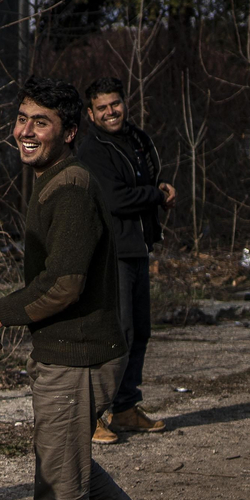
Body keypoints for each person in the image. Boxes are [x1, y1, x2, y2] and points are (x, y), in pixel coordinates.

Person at [0, 79, 188, 500]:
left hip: (77, 356)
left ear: (68, 132)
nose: (25, 131)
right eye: (22, 118)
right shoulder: (52, 177)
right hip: (72, 350)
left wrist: (8, 310)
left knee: (58, 488)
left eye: (40, 122)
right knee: (71, 467)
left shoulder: (71, 187)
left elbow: (66, 283)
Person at [77, 78, 177, 442]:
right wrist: (154, 194)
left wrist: (160, 187)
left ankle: (126, 408)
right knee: (115, 335)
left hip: (136, 247)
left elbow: (145, 177)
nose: (110, 112)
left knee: (140, 331)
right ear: (90, 113)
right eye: (102, 108)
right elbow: (116, 199)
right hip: (111, 251)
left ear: (124, 103)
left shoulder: (135, 139)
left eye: (115, 104)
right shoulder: (92, 148)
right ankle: (89, 416)